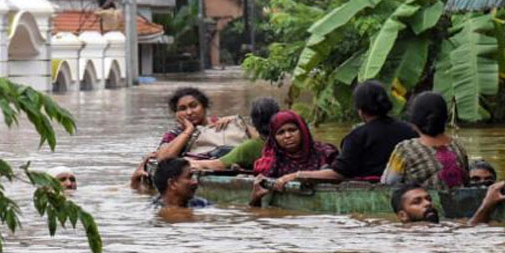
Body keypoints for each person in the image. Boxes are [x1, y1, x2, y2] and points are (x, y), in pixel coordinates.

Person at [270, 81, 417, 189]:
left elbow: (338, 174)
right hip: (407, 188)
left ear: (360, 110)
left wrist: (297, 175)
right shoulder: (409, 130)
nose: (287, 135)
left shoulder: (357, 136)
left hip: (368, 189)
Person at [381, 91, 469, 190]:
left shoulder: (404, 150)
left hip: (422, 202)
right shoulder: (458, 146)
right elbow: (466, 181)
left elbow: (388, 183)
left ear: (414, 121)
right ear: (444, 118)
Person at [190, 97, 280, 171]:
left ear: (253, 122)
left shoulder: (250, 147)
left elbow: (218, 164)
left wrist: (190, 162)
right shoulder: (283, 139)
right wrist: (238, 120)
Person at [391, 181, 505, 225]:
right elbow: (472, 230)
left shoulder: (446, 224)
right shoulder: (413, 234)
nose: (427, 203)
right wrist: (487, 204)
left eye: (428, 199)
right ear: (403, 216)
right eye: (417, 202)